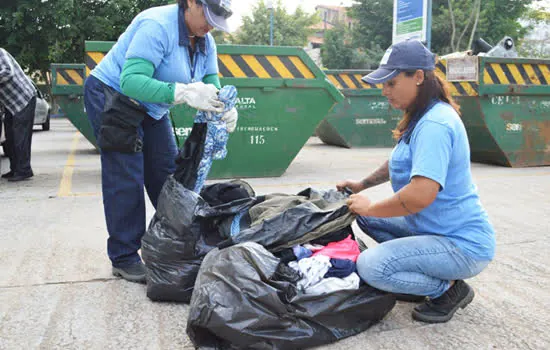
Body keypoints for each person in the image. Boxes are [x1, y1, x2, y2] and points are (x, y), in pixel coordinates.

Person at [337, 40, 495, 324]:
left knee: (371, 267)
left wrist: (371, 207)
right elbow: (399, 162)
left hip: (461, 244)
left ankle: (447, 289)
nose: (384, 91)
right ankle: (419, 275)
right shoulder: (422, 117)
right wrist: (362, 186)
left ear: (419, 77)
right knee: (365, 218)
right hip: (432, 228)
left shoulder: (435, 124)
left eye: (392, 83)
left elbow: (419, 196)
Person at [83, 0, 237, 283]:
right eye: (208, 16)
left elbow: (211, 79)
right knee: (126, 175)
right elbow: (131, 81)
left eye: (217, 21)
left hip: (152, 106)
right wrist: (183, 93)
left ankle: (174, 243)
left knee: (168, 176)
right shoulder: (157, 26)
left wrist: (222, 104)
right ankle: (125, 256)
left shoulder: (204, 39)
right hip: (114, 96)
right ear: (191, 2)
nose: (210, 26)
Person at [0, 48, 37, 182]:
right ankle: (15, 168)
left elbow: (8, 72)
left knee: (19, 136)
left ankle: (24, 170)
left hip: (23, 98)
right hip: (11, 104)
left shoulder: (0, 53)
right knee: (9, 136)